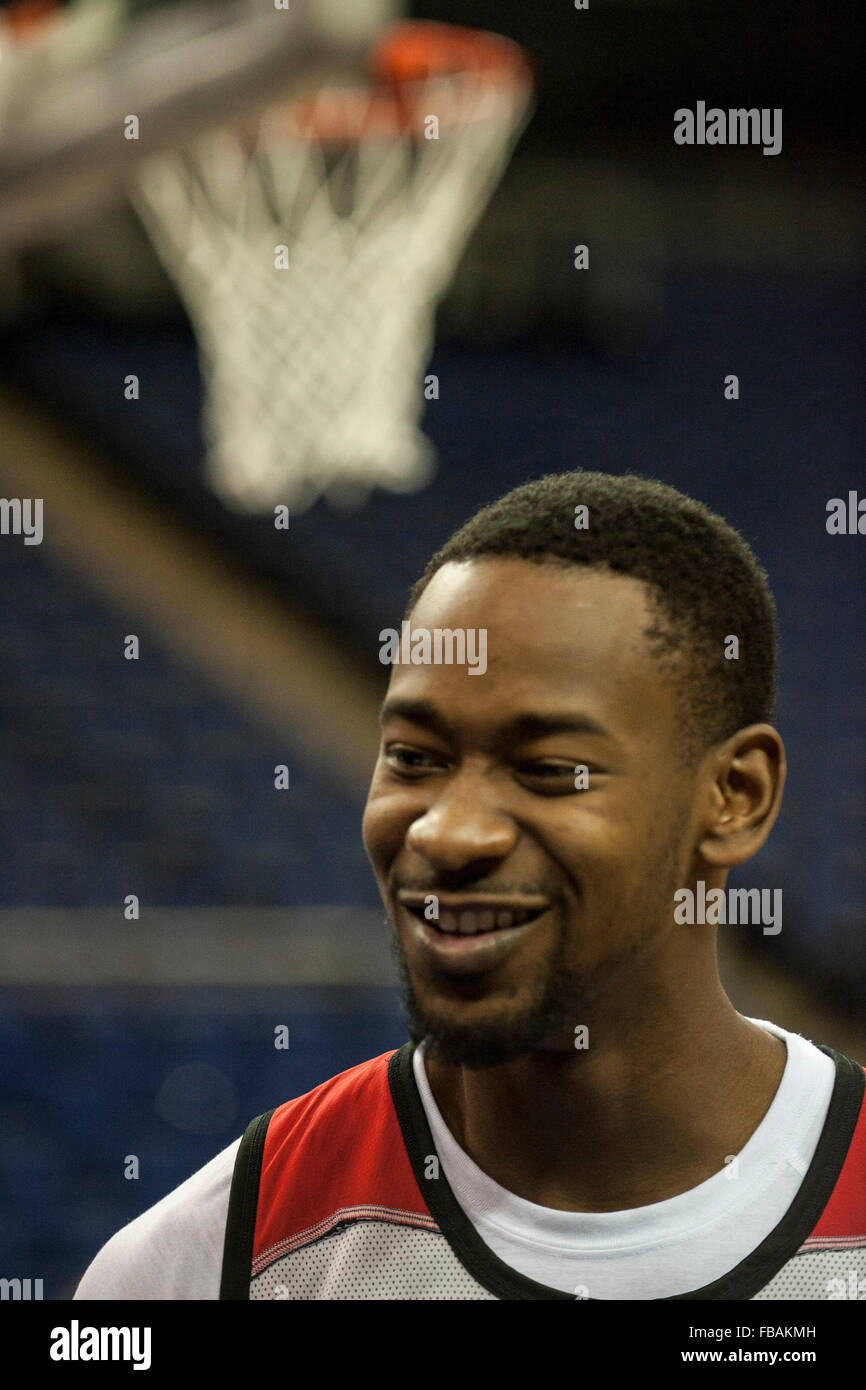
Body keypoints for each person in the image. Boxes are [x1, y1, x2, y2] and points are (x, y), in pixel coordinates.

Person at [75, 470, 866, 1301]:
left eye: (549, 770)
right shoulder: (211, 1262)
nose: (447, 833)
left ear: (733, 797)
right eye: (414, 758)